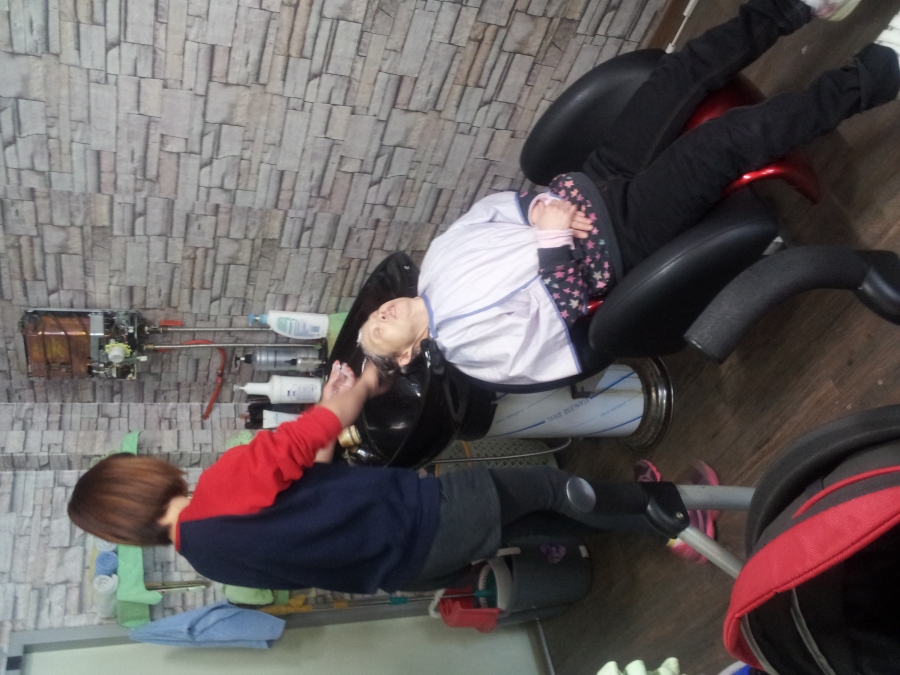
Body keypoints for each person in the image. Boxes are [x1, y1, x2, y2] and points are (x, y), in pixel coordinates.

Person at [359, 0, 898, 386]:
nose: (377, 319)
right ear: (406, 356)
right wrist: (552, 239)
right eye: (376, 336)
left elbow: (494, 212)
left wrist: (541, 209)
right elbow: (563, 312)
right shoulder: (471, 352)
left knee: (678, 73)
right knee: (725, 141)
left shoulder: (434, 266)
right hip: (622, 234)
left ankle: (796, 6)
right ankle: (877, 75)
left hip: (592, 180)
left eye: (371, 317)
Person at [68, 362, 653, 594]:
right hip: (421, 520)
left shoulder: (207, 559)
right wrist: (365, 386)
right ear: (142, 478)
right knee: (552, 489)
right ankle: (669, 507)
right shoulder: (222, 485)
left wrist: (329, 401)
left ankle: (648, 520)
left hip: (408, 568)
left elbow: (308, 496)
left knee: (534, 524)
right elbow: (317, 429)